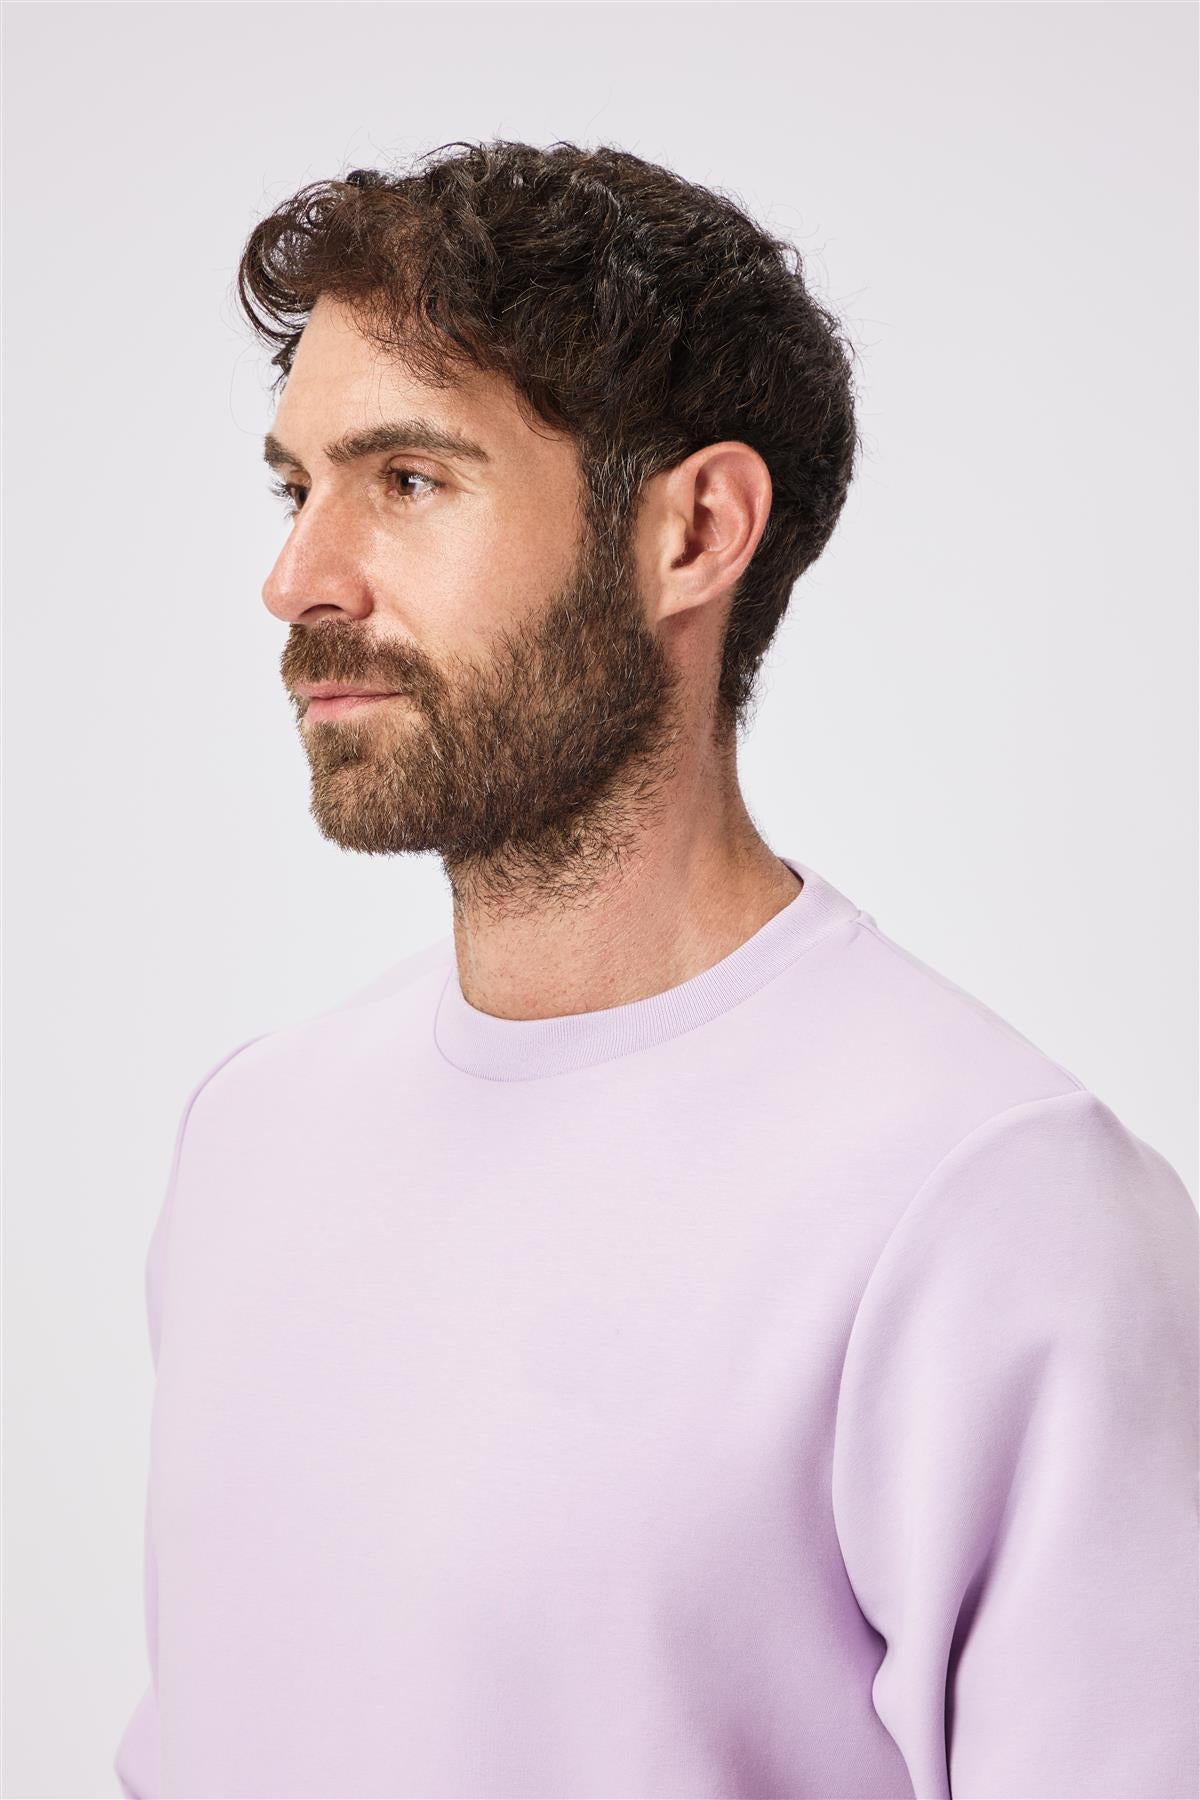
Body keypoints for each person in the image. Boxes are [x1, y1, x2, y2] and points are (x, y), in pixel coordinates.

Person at [114, 139, 1198, 1799]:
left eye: (407, 480)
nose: (299, 580)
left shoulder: (993, 1207)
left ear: (694, 530)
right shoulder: (251, 1134)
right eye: (295, 487)